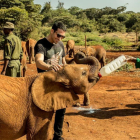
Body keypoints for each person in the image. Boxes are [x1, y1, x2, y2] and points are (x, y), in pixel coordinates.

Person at [34, 21, 67, 140]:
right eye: (58, 35)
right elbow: (39, 61)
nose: (60, 38)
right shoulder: (41, 44)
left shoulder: (61, 45)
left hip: (59, 83)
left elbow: (64, 62)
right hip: (45, 83)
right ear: (52, 31)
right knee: (44, 112)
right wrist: (49, 67)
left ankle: (57, 136)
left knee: (61, 110)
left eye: (63, 36)